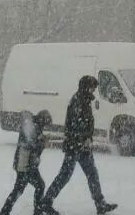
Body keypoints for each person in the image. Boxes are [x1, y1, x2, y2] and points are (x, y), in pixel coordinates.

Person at [39, 75, 117, 215]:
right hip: (74, 146)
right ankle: (46, 202)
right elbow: (74, 126)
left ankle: (100, 204)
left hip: (82, 146)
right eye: (92, 87)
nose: (94, 90)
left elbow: (85, 124)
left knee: (92, 174)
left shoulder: (85, 100)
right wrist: (83, 139)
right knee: (65, 175)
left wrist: (87, 138)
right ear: (86, 87)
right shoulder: (77, 101)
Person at [0, 110, 52, 215]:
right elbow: (32, 148)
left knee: (32, 187)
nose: (45, 126)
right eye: (46, 123)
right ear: (43, 120)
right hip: (25, 165)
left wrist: (41, 141)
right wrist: (42, 143)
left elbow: (32, 146)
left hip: (27, 164)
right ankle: (35, 211)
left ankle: (6, 211)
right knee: (23, 189)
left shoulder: (33, 126)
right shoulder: (33, 128)